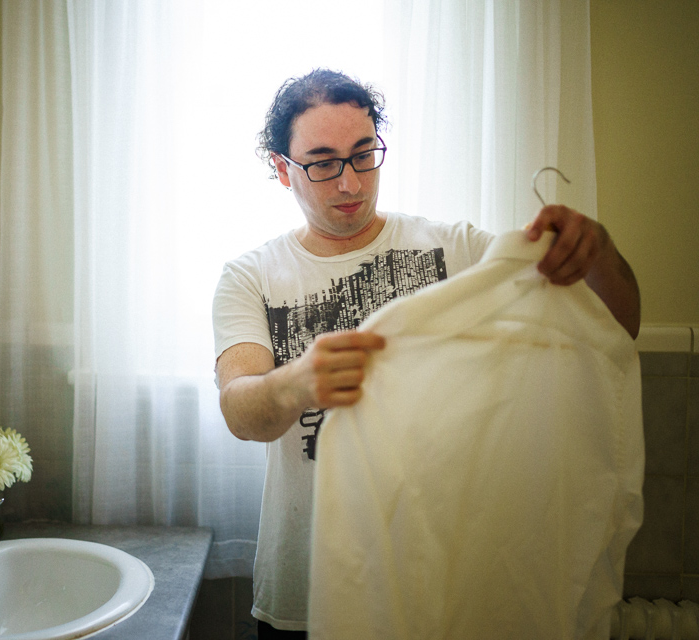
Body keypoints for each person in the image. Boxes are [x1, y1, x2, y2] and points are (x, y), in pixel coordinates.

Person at [211, 68, 640, 639]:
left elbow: (618, 328)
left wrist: (599, 252)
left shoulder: (457, 248)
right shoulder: (250, 276)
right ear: (281, 168)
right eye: (322, 162)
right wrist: (299, 383)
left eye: (364, 154)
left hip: (439, 579)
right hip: (303, 591)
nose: (350, 183)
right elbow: (241, 412)